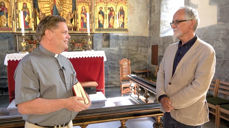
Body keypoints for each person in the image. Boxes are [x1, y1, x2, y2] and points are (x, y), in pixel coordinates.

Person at [14, 15, 91, 128]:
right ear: (49, 34)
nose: (69, 36)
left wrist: (85, 99)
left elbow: (76, 88)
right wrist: (66, 103)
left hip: (68, 125)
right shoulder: (28, 64)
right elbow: (24, 107)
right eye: (64, 32)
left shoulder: (66, 62)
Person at [156, 7, 216, 128]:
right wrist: (162, 96)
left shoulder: (206, 51)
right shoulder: (170, 49)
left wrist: (170, 102)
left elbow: (200, 86)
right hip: (168, 113)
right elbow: (161, 73)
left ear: (191, 23)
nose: (173, 26)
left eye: (177, 22)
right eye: (172, 22)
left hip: (190, 117)